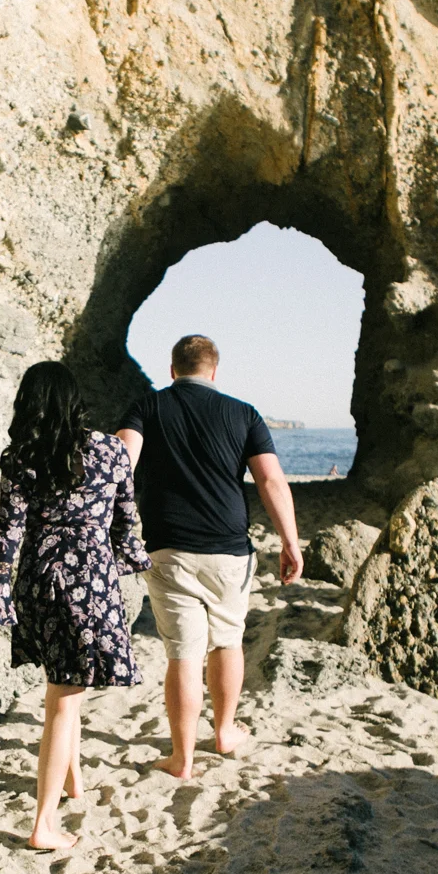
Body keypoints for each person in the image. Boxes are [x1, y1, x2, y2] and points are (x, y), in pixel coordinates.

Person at [0, 361, 152, 850]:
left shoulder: (21, 456)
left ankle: (73, 782)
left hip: (39, 579)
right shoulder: (112, 450)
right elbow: (125, 520)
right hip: (89, 580)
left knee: (66, 684)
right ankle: (43, 826)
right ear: (76, 401)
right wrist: (131, 560)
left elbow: (7, 534)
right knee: (64, 697)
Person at [118, 334, 302, 779]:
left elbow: (120, 460)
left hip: (168, 548)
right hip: (229, 552)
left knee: (183, 653)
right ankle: (223, 731)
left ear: (172, 370)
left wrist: (109, 527)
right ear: (214, 371)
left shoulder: (148, 407)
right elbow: (271, 482)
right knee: (227, 641)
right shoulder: (244, 413)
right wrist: (290, 541)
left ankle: (181, 758)